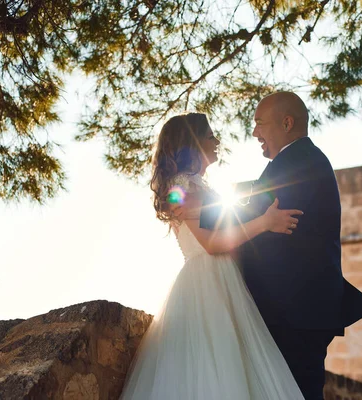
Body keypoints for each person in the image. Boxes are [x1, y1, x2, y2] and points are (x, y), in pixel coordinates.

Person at [199, 92, 362, 400]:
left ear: (286, 122)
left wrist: (197, 205)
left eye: (259, 123)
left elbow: (255, 216)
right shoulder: (297, 162)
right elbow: (259, 212)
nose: (255, 133)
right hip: (297, 311)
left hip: (294, 313)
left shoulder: (298, 163)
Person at [120, 113, 306, 400]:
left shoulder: (198, 185)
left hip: (223, 279)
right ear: (191, 143)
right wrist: (265, 223)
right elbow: (212, 243)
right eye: (209, 136)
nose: (216, 141)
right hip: (207, 284)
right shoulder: (182, 187)